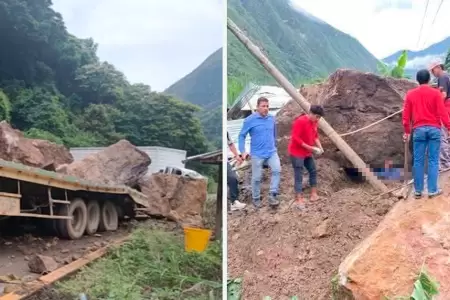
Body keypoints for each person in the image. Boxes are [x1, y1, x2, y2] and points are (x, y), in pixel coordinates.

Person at [402, 69, 450, 199]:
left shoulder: (410, 94)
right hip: (434, 130)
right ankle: (432, 190)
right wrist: (449, 127)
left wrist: (406, 132)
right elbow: (442, 113)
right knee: (433, 160)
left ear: (417, 80)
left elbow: (406, 116)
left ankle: (418, 191)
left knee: (418, 160)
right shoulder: (435, 94)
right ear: (429, 80)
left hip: (418, 130)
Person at [238, 97, 281, 208]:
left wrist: (274, 145)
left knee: (277, 170)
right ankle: (256, 199)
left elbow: (274, 134)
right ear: (257, 107)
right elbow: (242, 135)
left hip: (271, 151)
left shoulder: (271, 118)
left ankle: (272, 194)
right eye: (263, 106)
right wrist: (243, 151)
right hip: (257, 154)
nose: (266, 108)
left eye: (267, 106)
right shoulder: (249, 120)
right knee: (257, 177)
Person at [288, 105, 324, 209]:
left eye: (319, 117)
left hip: (307, 152)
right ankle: (299, 199)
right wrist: (311, 148)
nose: (318, 119)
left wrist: (320, 148)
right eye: (317, 116)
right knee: (299, 174)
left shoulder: (315, 122)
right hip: (297, 152)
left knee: (313, 170)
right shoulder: (300, 121)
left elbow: (315, 136)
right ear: (311, 113)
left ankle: (314, 194)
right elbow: (296, 139)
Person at [430, 60, 450, 170]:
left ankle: (445, 163)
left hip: (446, 108)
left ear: (438, 67)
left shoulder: (442, 77)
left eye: (433, 70)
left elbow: (443, 95)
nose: (433, 73)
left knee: (443, 135)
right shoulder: (448, 75)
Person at [227, 132, 246, 211]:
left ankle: (234, 202)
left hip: (226, 161)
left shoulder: (226, 133)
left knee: (233, 178)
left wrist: (237, 156)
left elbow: (231, 144)